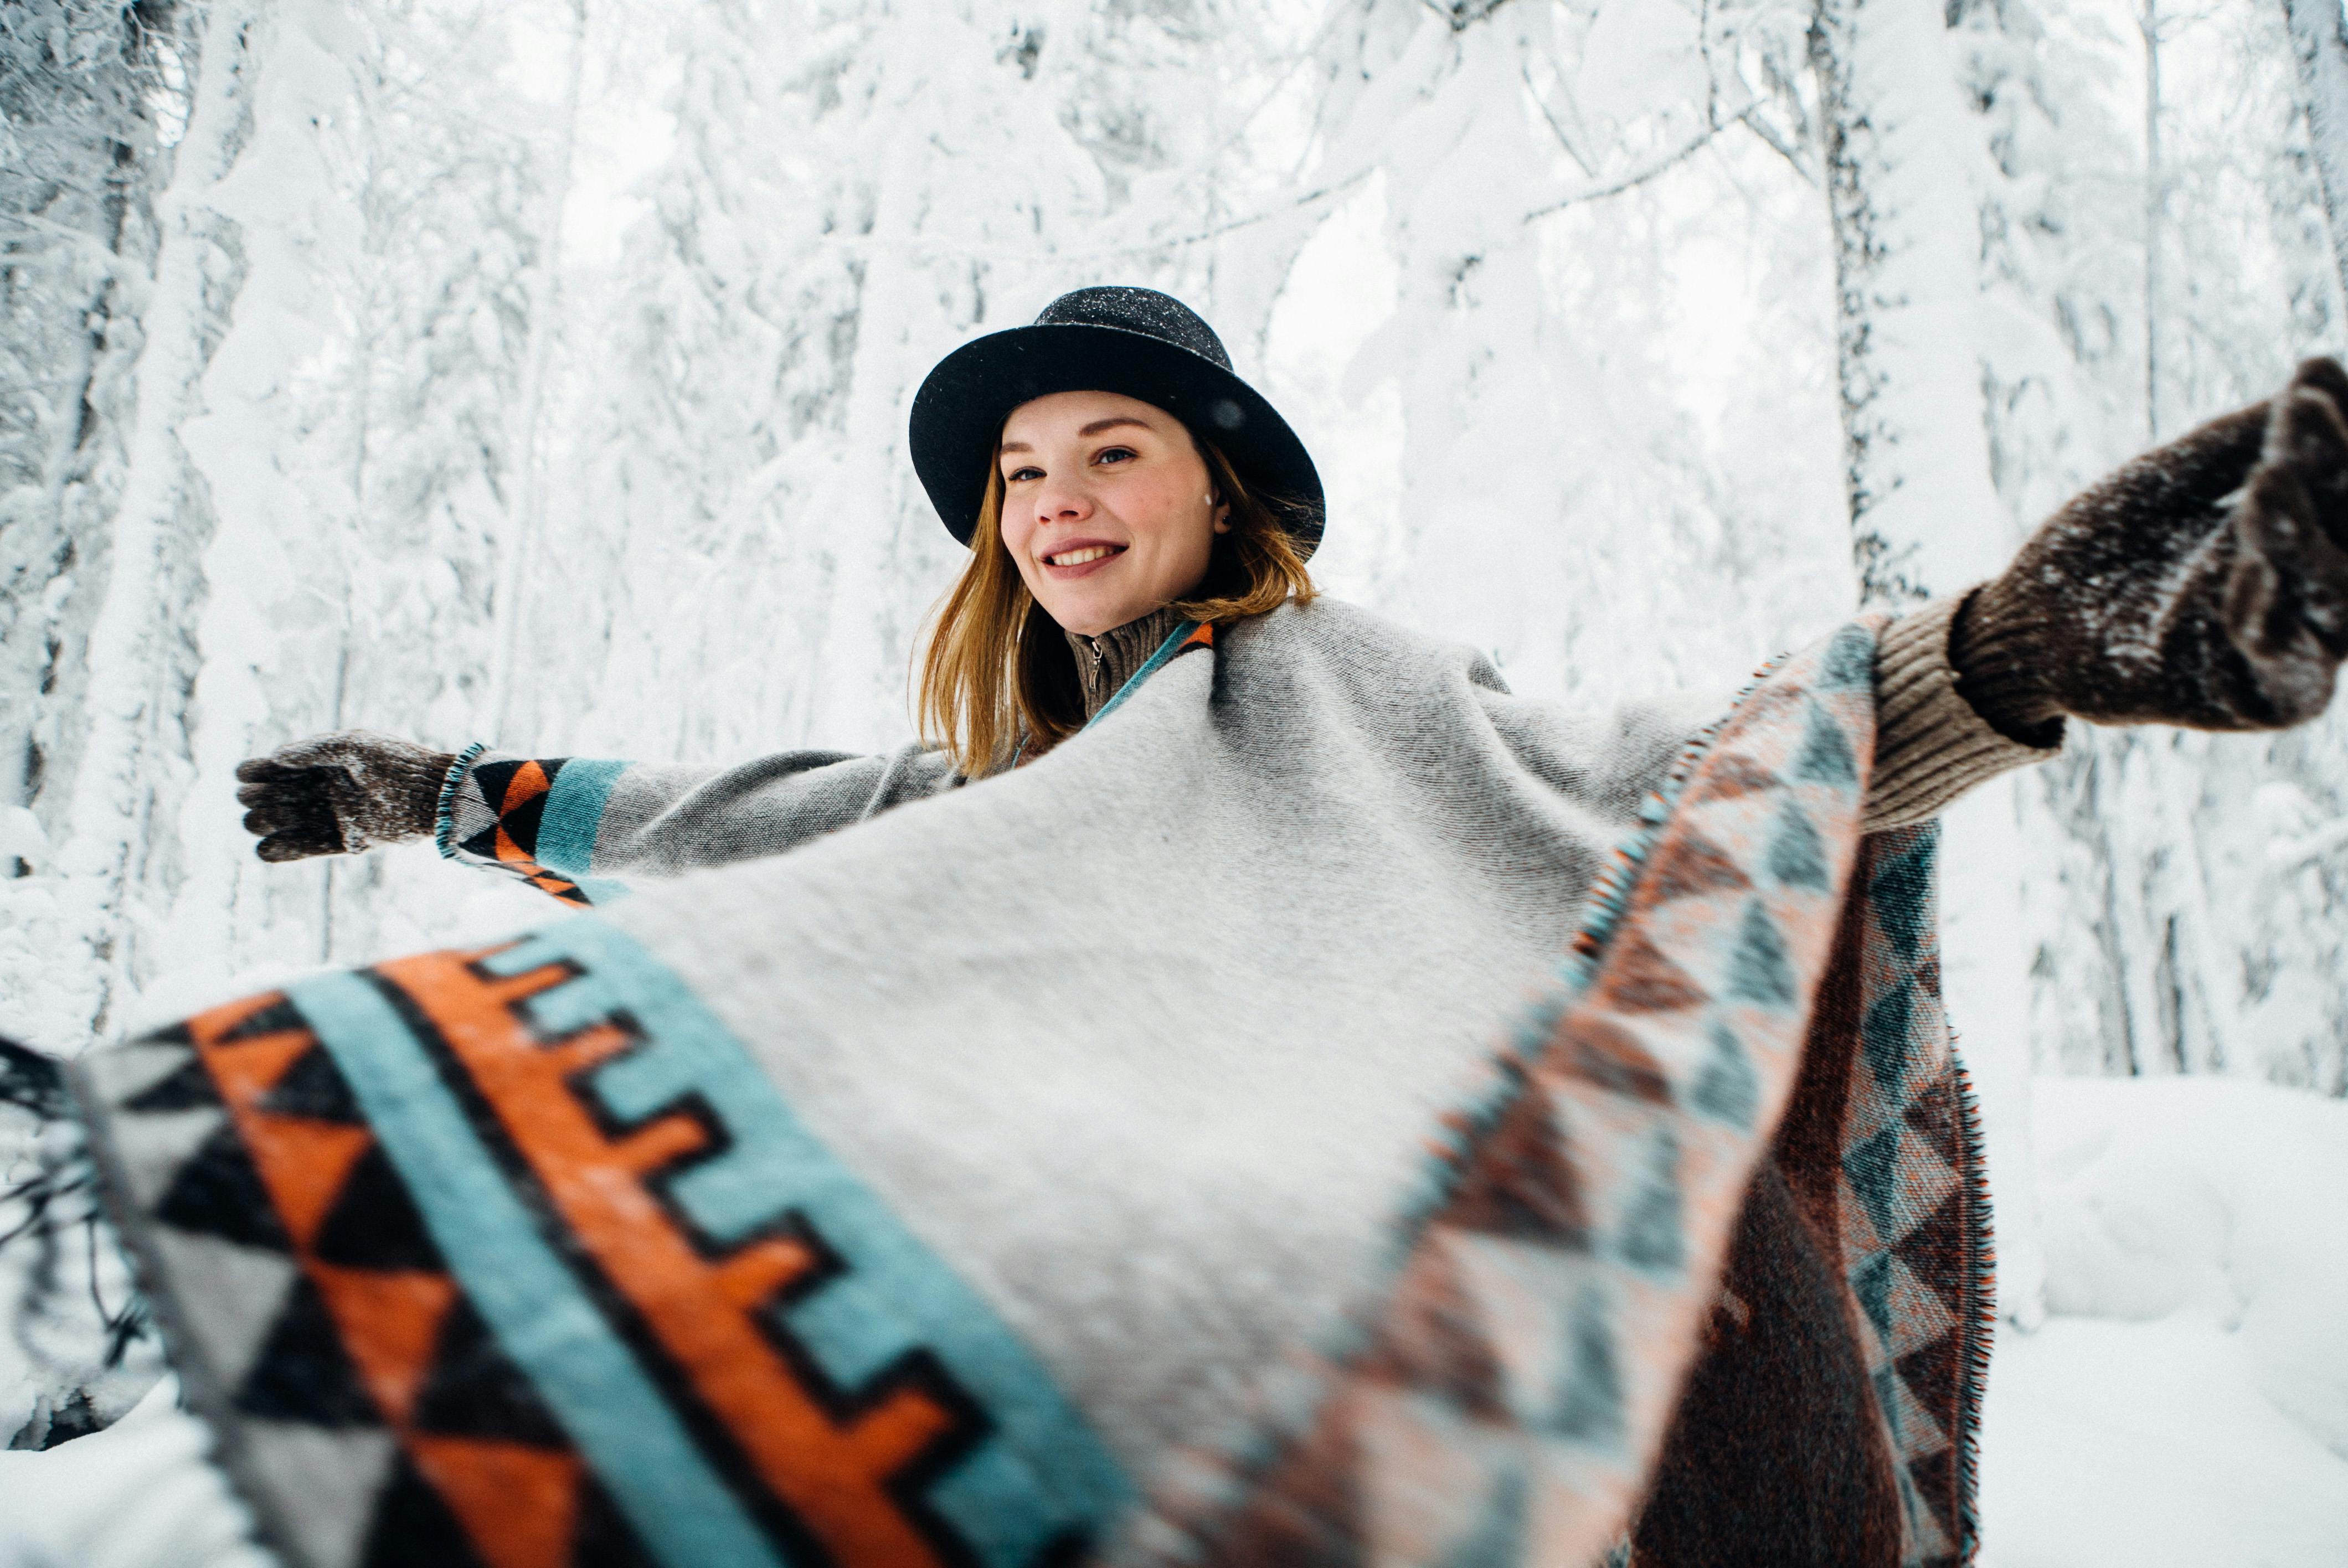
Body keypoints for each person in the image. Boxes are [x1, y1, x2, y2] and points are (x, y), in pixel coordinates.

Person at [90, 288, 2348, 1565]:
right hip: (1176, 1335)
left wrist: (2037, 652)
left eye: (1113, 454)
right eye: (1021, 477)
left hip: (1505, 1317)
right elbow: (737, 821)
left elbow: (1700, 774)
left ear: (1223, 491)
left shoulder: (1367, 703)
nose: (1057, 504)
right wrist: (437, 796)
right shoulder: (1008, 800)